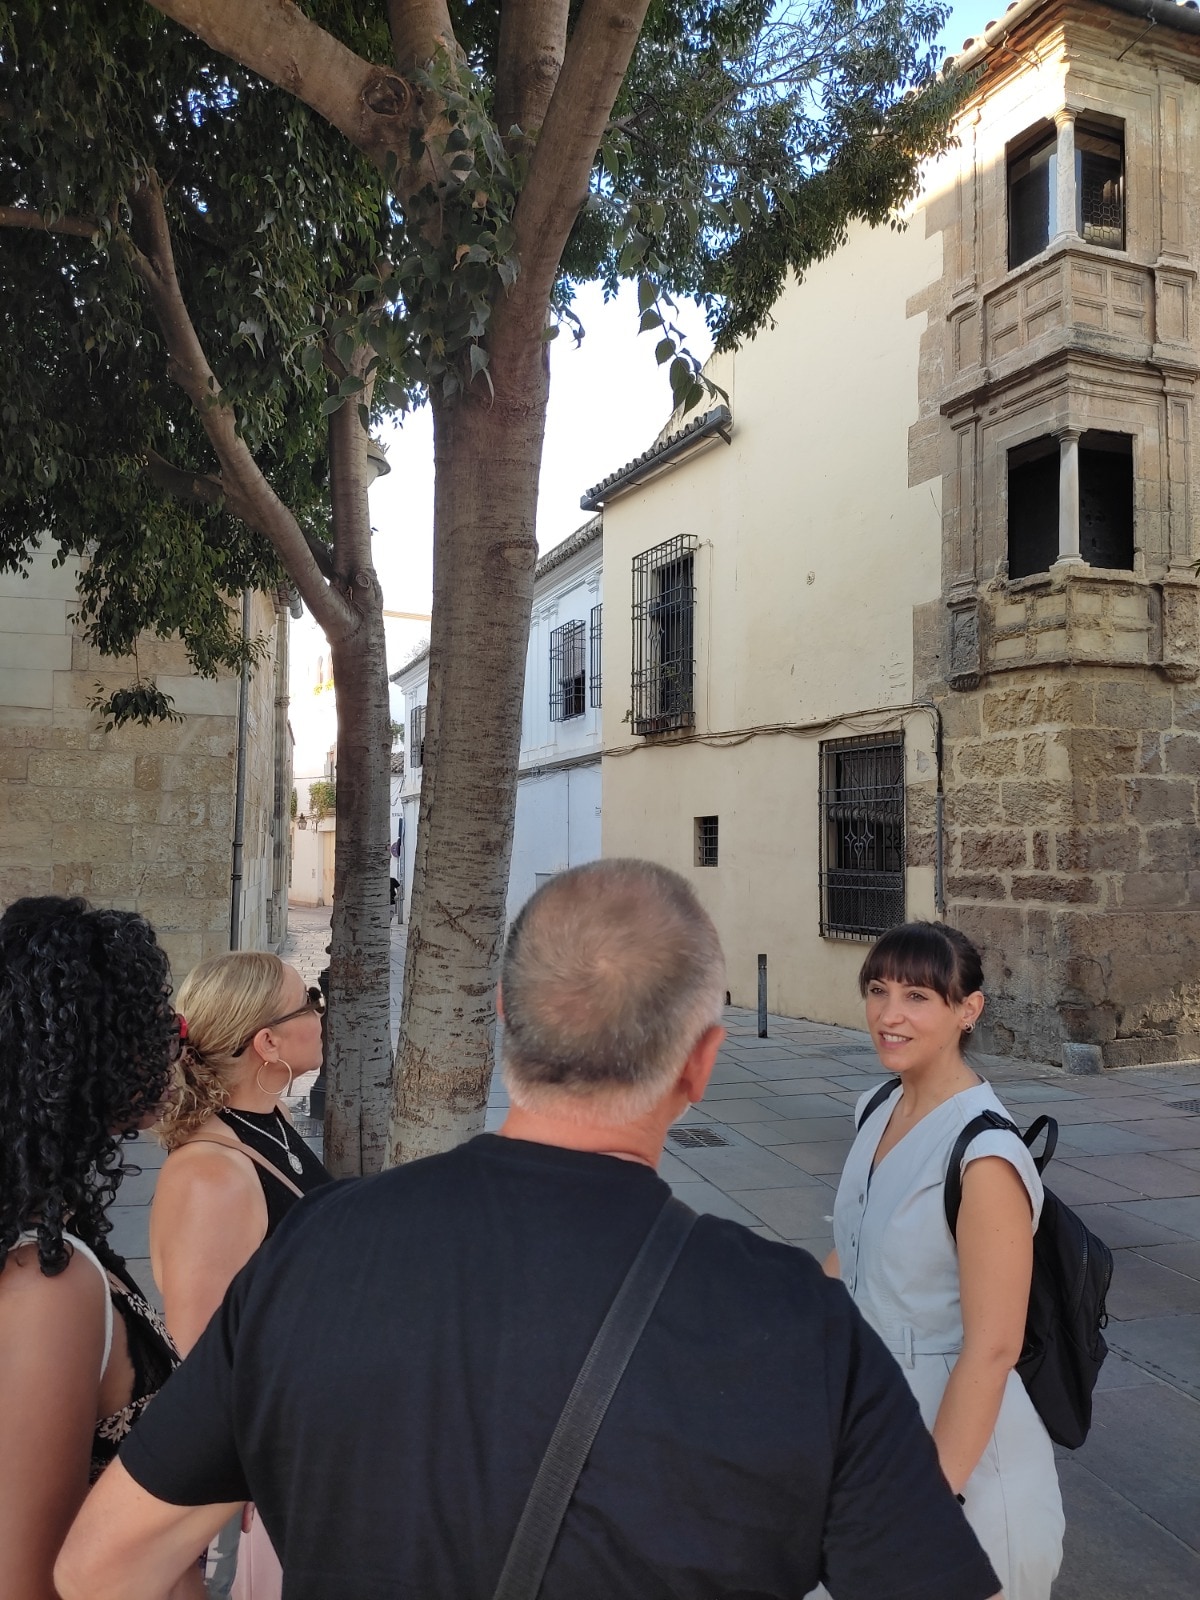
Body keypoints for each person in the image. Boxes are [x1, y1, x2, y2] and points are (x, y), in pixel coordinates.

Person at [58, 861, 1001, 1600]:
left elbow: (99, 1569)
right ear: (701, 1064)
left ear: (506, 1023)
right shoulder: (798, 1323)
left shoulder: (316, 1248)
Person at [825, 920, 1064, 1600]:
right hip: (876, 1426)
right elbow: (856, 1250)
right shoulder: (878, 1106)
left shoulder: (985, 1156)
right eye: (878, 990)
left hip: (964, 1466)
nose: (888, 1015)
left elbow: (993, 1349)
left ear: (968, 1010)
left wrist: (922, 1508)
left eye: (917, 997)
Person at [0, 895, 202, 1600]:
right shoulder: (47, 1283)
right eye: (157, 1022)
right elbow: (26, 1582)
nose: (177, 1041)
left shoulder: (50, 1240)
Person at [149, 950, 331, 1598]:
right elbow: (200, 1350)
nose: (319, 1010)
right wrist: (251, 1466)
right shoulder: (213, 1173)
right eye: (308, 1000)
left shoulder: (269, 1121)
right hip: (284, 1472)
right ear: (268, 1042)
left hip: (311, 1447)